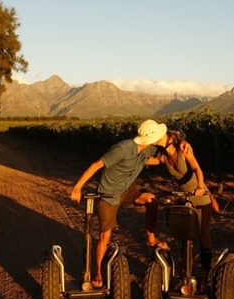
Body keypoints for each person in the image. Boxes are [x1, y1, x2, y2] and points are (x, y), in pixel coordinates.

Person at [70, 119, 171, 289]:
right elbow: (96, 165)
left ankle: (151, 239)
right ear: (150, 139)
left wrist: (168, 156)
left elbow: (150, 160)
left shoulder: (148, 149)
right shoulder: (122, 149)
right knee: (105, 236)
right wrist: (77, 188)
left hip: (127, 189)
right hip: (108, 193)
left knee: (151, 200)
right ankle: (98, 273)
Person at [147, 129, 217, 284]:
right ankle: (187, 274)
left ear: (171, 138)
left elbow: (197, 169)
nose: (159, 139)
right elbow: (145, 160)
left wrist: (200, 186)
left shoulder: (183, 151)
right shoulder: (164, 157)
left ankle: (205, 275)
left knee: (203, 237)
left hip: (201, 198)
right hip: (185, 199)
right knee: (185, 236)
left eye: (163, 137)